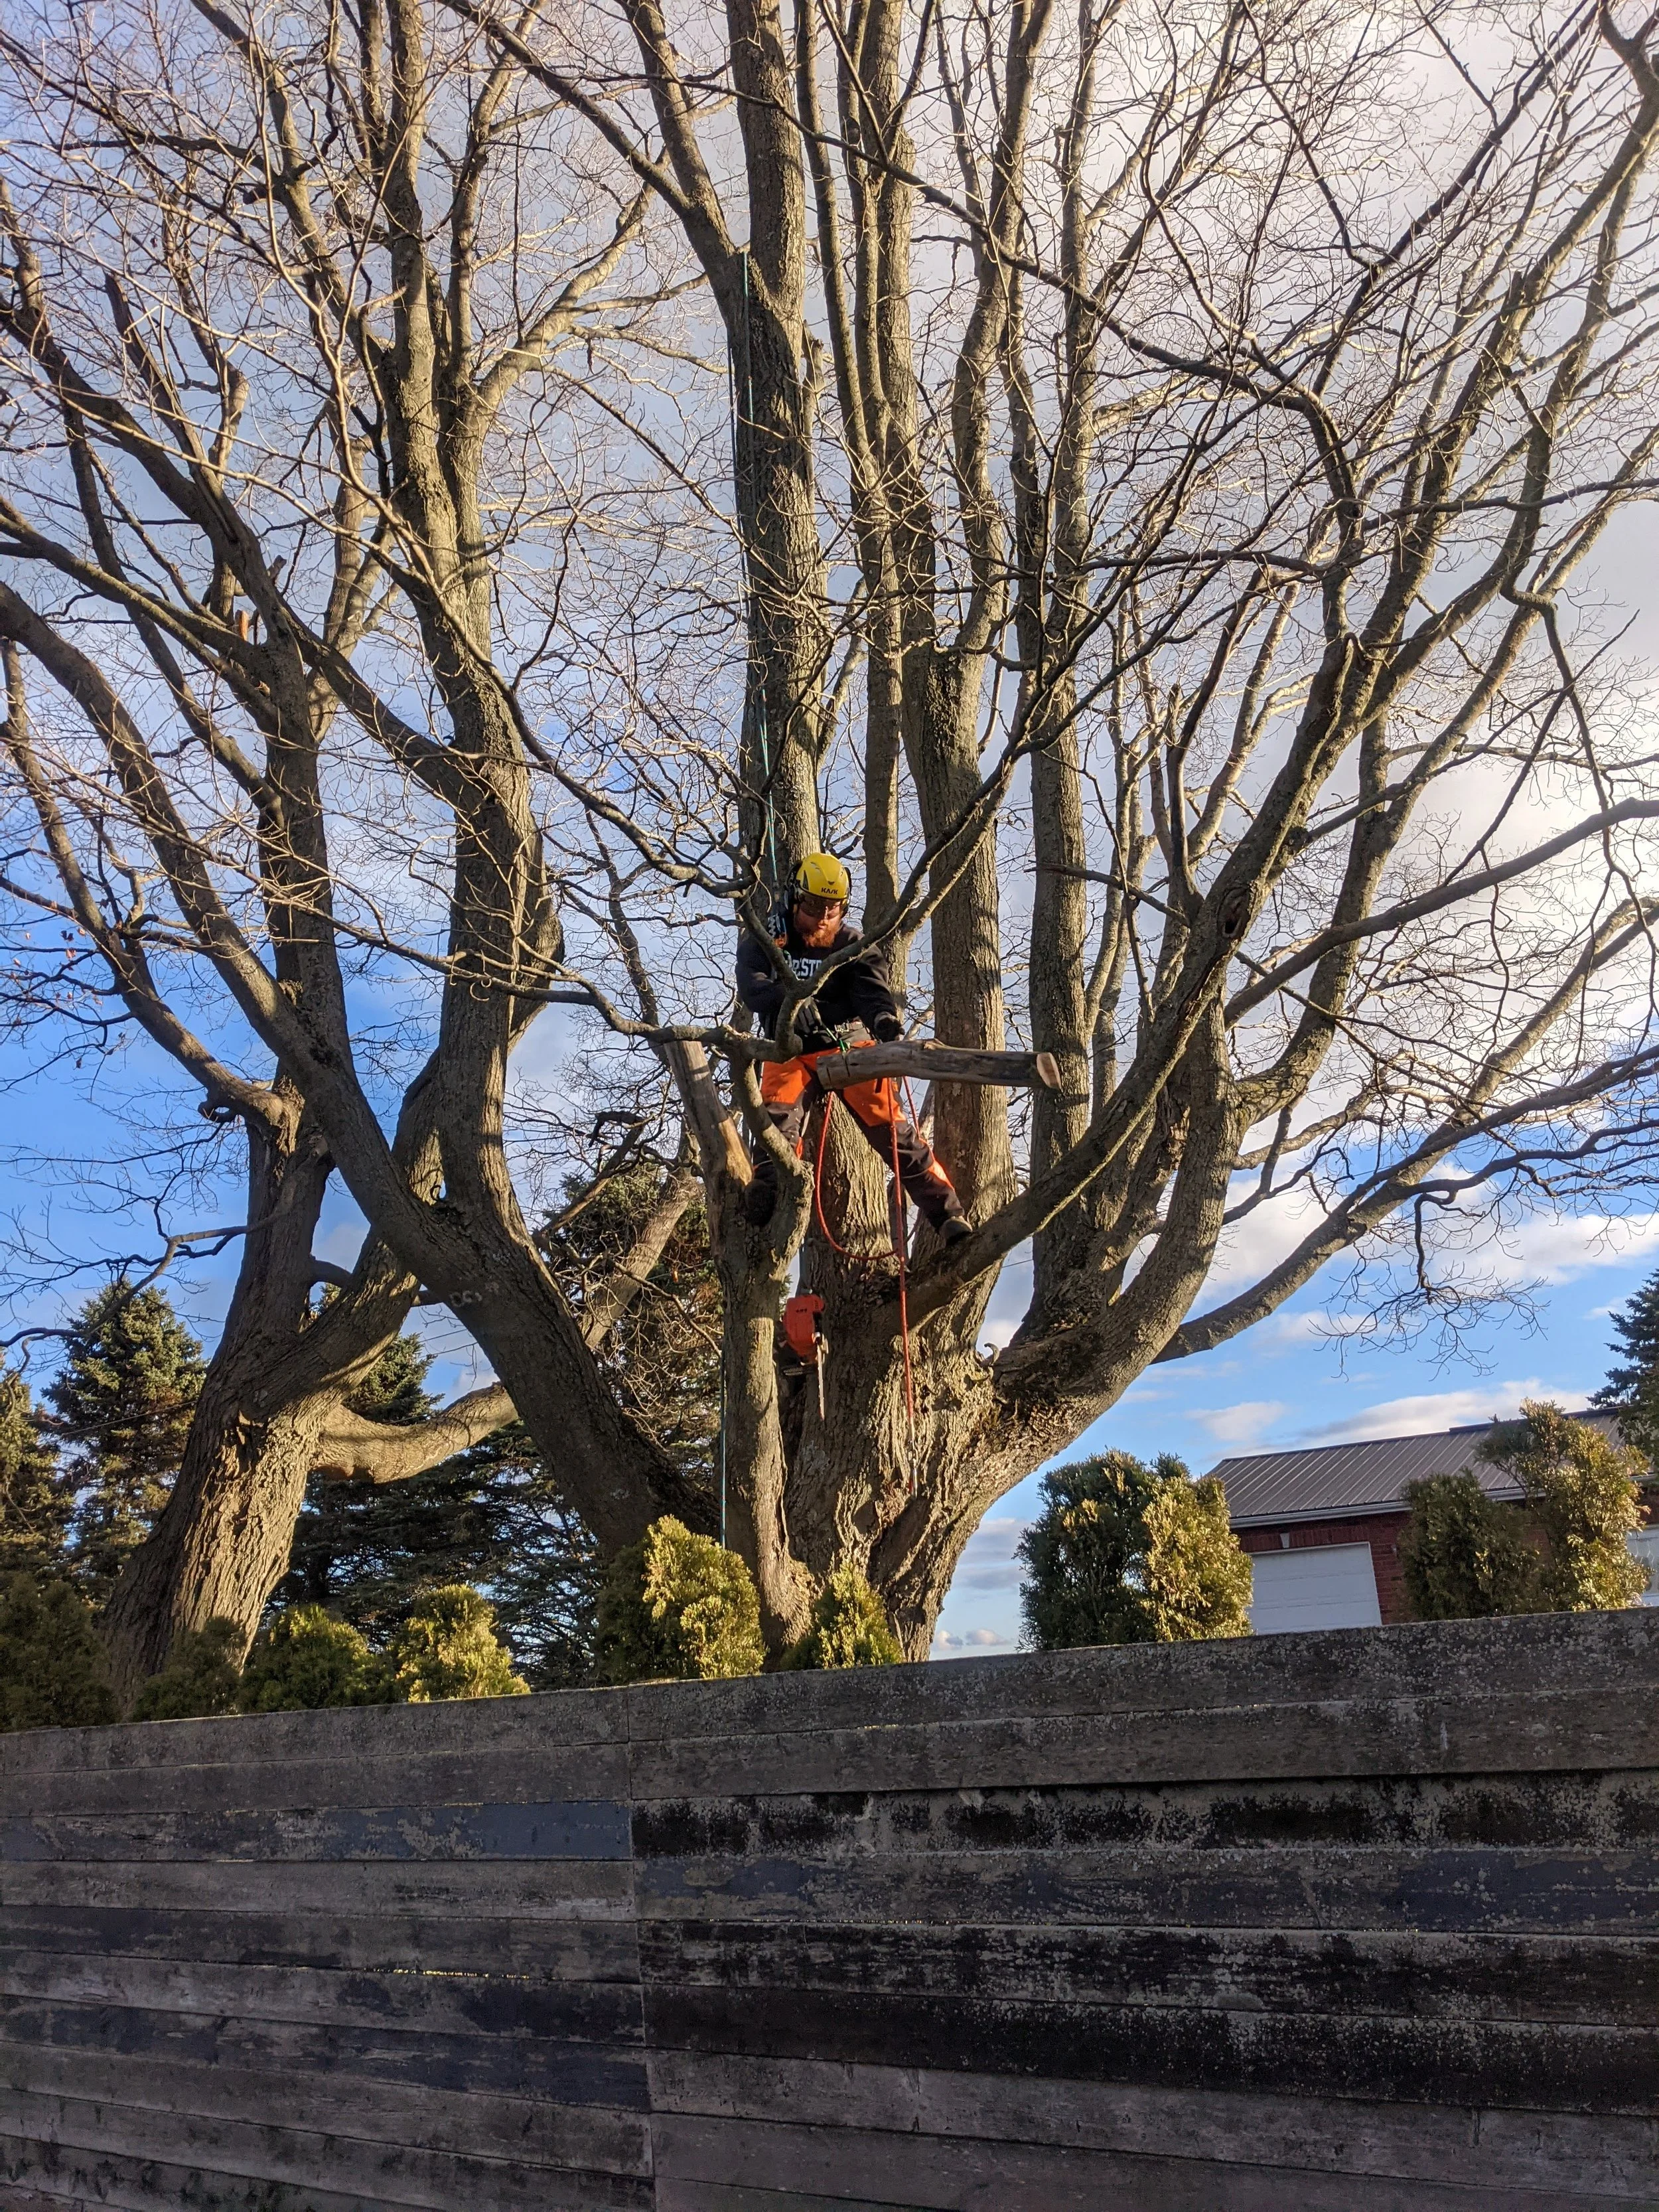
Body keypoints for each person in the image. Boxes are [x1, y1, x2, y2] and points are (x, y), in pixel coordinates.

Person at [736, 853, 970, 1243]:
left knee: (892, 1130)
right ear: (795, 900)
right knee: (775, 1115)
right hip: (790, 1049)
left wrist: (885, 1024)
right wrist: (786, 1001)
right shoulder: (767, 938)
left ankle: (947, 1215)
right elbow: (753, 984)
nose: (824, 918)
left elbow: (872, 991)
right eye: (813, 907)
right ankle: (768, 1194)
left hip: (846, 1044)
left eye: (833, 908)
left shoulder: (851, 943)